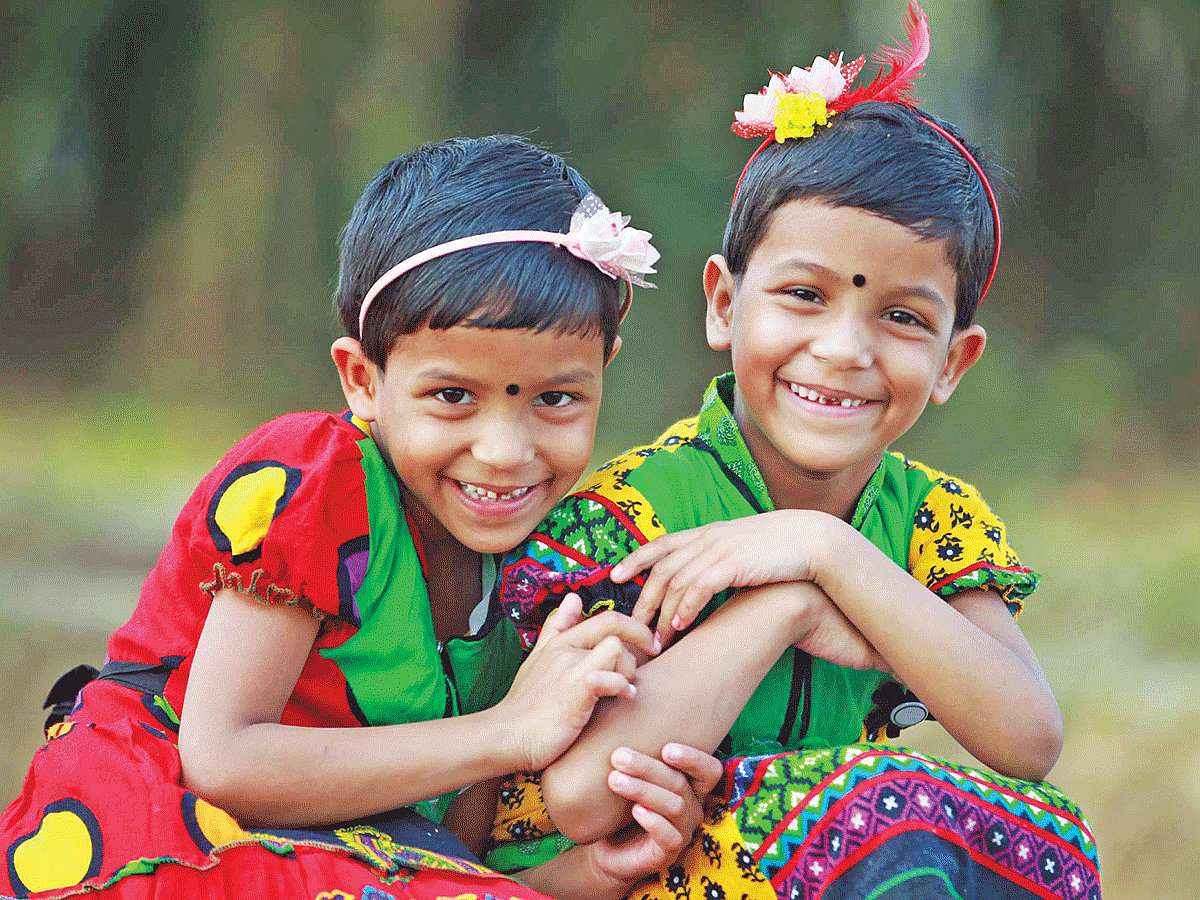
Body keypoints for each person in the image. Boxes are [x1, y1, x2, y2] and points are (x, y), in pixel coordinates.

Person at [0, 135, 725, 900]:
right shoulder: (319, 482)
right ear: (362, 379)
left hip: (343, 850)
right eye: (452, 396)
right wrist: (507, 730)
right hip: (161, 826)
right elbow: (222, 759)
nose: (506, 452)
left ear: (603, 374)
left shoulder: (541, 558)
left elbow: (453, 840)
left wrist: (580, 874)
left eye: (556, 399)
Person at [485, 6, 1102, 900]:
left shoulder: (928, 523)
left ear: (953, 361)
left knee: (1045, 839)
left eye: (901, 316)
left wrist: (831, 552)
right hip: (626, 877)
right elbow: (582, 800)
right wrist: (783, 607)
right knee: (881, 805)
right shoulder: (634, 516)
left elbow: (1027, 740)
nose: (845, 350)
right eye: (804, 296)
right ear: (724, 305)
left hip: (838, 867)